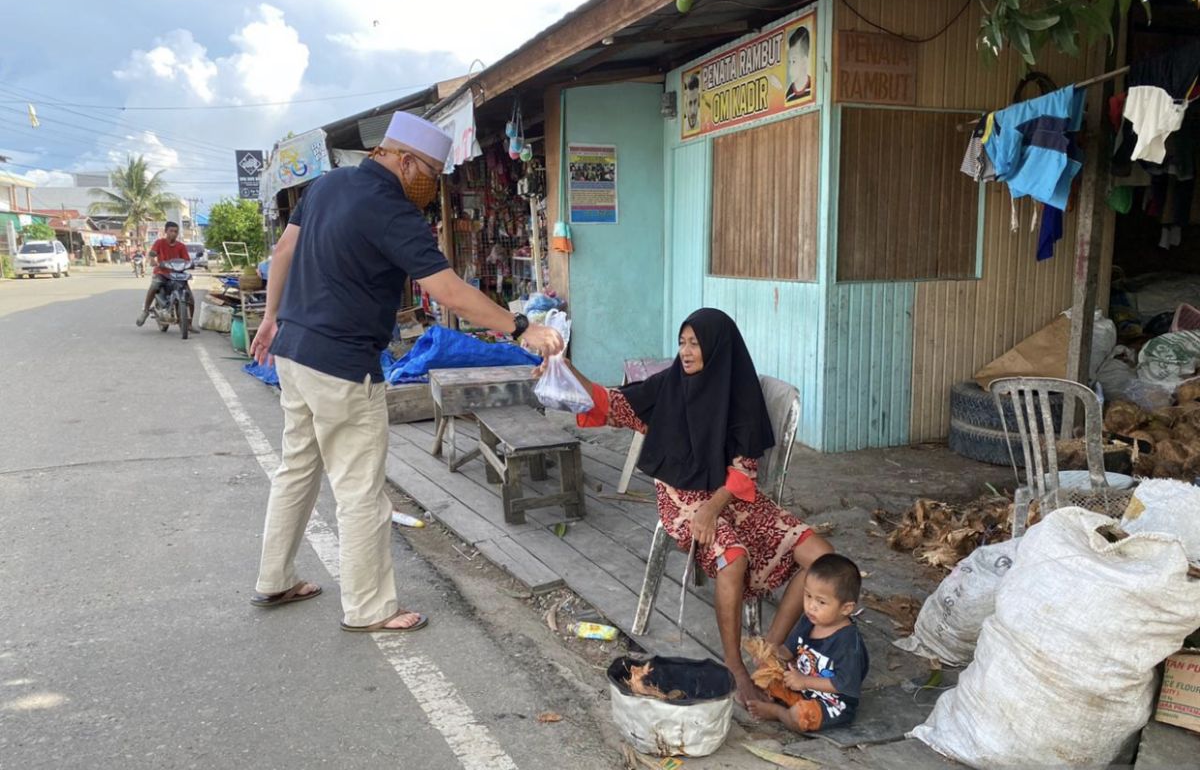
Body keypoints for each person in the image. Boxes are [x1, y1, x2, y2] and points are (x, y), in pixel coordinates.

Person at [248, 111, 563, 634]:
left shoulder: (327, 185)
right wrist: (518, 326)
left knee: (296, 468)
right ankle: (369, 608)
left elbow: (284, 250)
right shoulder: (392, 210)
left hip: (294, 354)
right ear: (405, 159)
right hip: (342, 365)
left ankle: (273, 578)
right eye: (430, 173)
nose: (429, 185)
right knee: (361, 493)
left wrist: (271, 317)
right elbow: (446, 290)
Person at [548, 308, 833, 706]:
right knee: (732, 557)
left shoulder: (739, 389)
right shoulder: (669, 385)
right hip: (681, 497)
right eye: (682, 342)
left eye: (694, 343)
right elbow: (613, 404)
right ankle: (734, 666)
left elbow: (745, 469)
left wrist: (714, 507)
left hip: (731, 496)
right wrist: (565, 366)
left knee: (821, 557)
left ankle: (769, 651)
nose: (685, 351)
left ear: (716, 348)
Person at [746, 553, 869, 732]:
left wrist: (804, 681)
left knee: (800, 716)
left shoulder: (848, 643)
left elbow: (843, 684)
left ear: (846, 608)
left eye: (821, 601)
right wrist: (770, 657)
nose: (811, 606)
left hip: (830, 704)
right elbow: (787, 651)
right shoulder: (809, 620)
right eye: (808, 596)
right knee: (765, 674)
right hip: (800, 688)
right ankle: (780, 699)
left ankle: (779, 712)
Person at [136, 221, 191, 327]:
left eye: (176, 231)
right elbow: (153, 253)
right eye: (171, 231)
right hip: (162, 272)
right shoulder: (159, 243)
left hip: (177, 274)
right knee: (154, 286)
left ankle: (189, 324)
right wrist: (152, 259)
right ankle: (146, 311)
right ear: (166, 231)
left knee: (190, 296)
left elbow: (186, 260)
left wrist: (189, 264)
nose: (174, 233)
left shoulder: (181, 246)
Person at [786, 26, 812, 104]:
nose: (790, 68)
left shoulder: (814, 89)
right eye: (789, 62)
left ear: (804, 61)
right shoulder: (788, 96)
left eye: (794, 61)